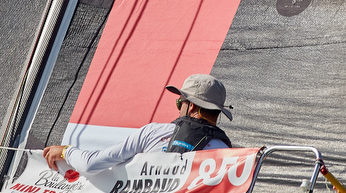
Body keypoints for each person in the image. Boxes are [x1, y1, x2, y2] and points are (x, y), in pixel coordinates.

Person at [43, 73, 234, 174]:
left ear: (191, 107)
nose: (178, 108)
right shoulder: (227, 153)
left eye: (179, 103)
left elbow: (91, 164)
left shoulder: (153, 132)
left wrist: (66, 151)